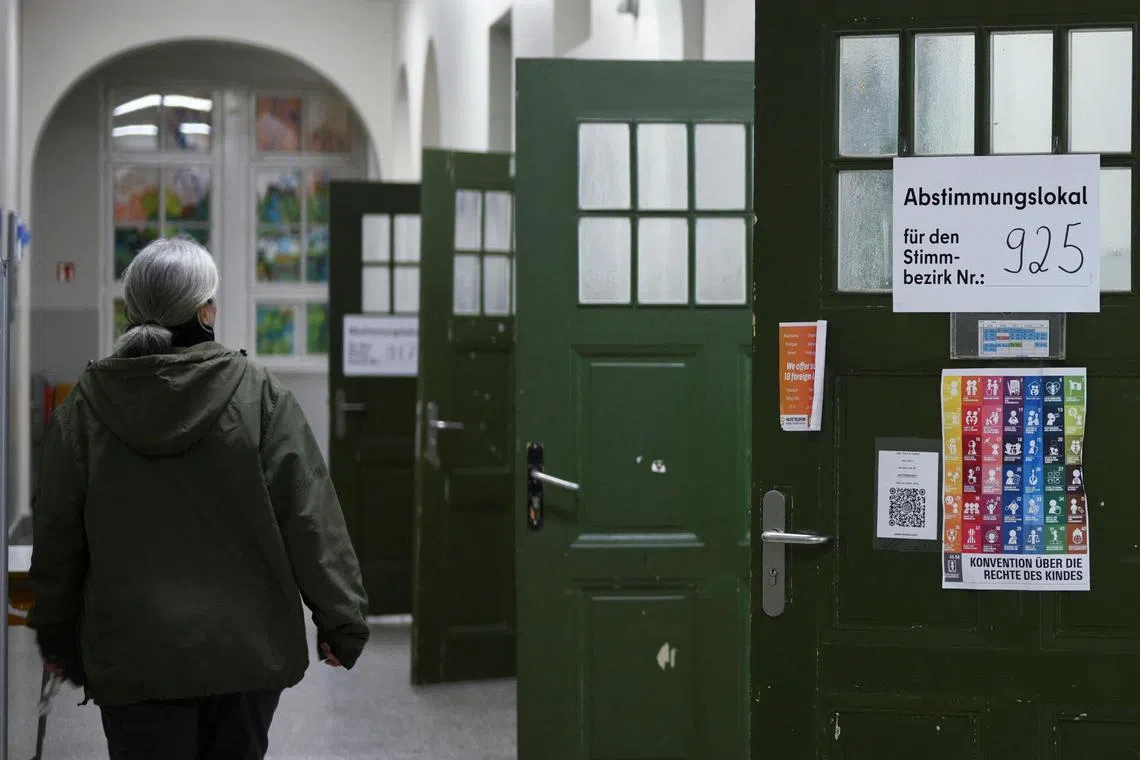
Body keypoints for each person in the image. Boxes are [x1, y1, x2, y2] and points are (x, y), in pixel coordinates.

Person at [28, 236, 369, 759]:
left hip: (134, 654)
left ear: (133, 310)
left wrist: (55, 631)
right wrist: (340, 619)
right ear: (207, 310)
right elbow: (309, 516)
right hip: (245, 652)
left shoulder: (85, 410)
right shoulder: (259, 397)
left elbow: (57, 534)